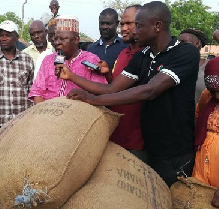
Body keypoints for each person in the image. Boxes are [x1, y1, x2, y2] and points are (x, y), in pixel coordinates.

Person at [62, 1, 200, 187]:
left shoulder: (185, 53)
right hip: (150, 146)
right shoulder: (142, 57)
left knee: (173, 206)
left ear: (157, 26)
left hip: (175, 151)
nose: (134, 31)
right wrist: (73, 79)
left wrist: (94, 100)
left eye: (139, 26)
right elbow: (111, 88)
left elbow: (150, 90)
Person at [28, 15, 107, 104]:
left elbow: (101, 92)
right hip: (48, 113)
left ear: (76, 39)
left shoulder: (91, 59)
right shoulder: (48, 60)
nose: (57, 42)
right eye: (56, 38)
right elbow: (37, 92)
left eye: (62, 39)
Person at [105, 4, 146, 161]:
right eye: (122, 24)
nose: (123, 28)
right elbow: (115, 87)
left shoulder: (148, 55)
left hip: (137, 141)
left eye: (129, 23)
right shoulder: (123, 52)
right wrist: (107, 74)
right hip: (116, 135)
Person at [193, 57, 219, 188]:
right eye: (214, 91)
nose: (217, 96)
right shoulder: (207, 95)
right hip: (202, 156)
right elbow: (199, 114)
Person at [179, 28, 208, 102]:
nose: (179, 45)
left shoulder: (209, 68)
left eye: (183, 42)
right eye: (178, 42)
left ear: (197, 43)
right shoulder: (174, 65)